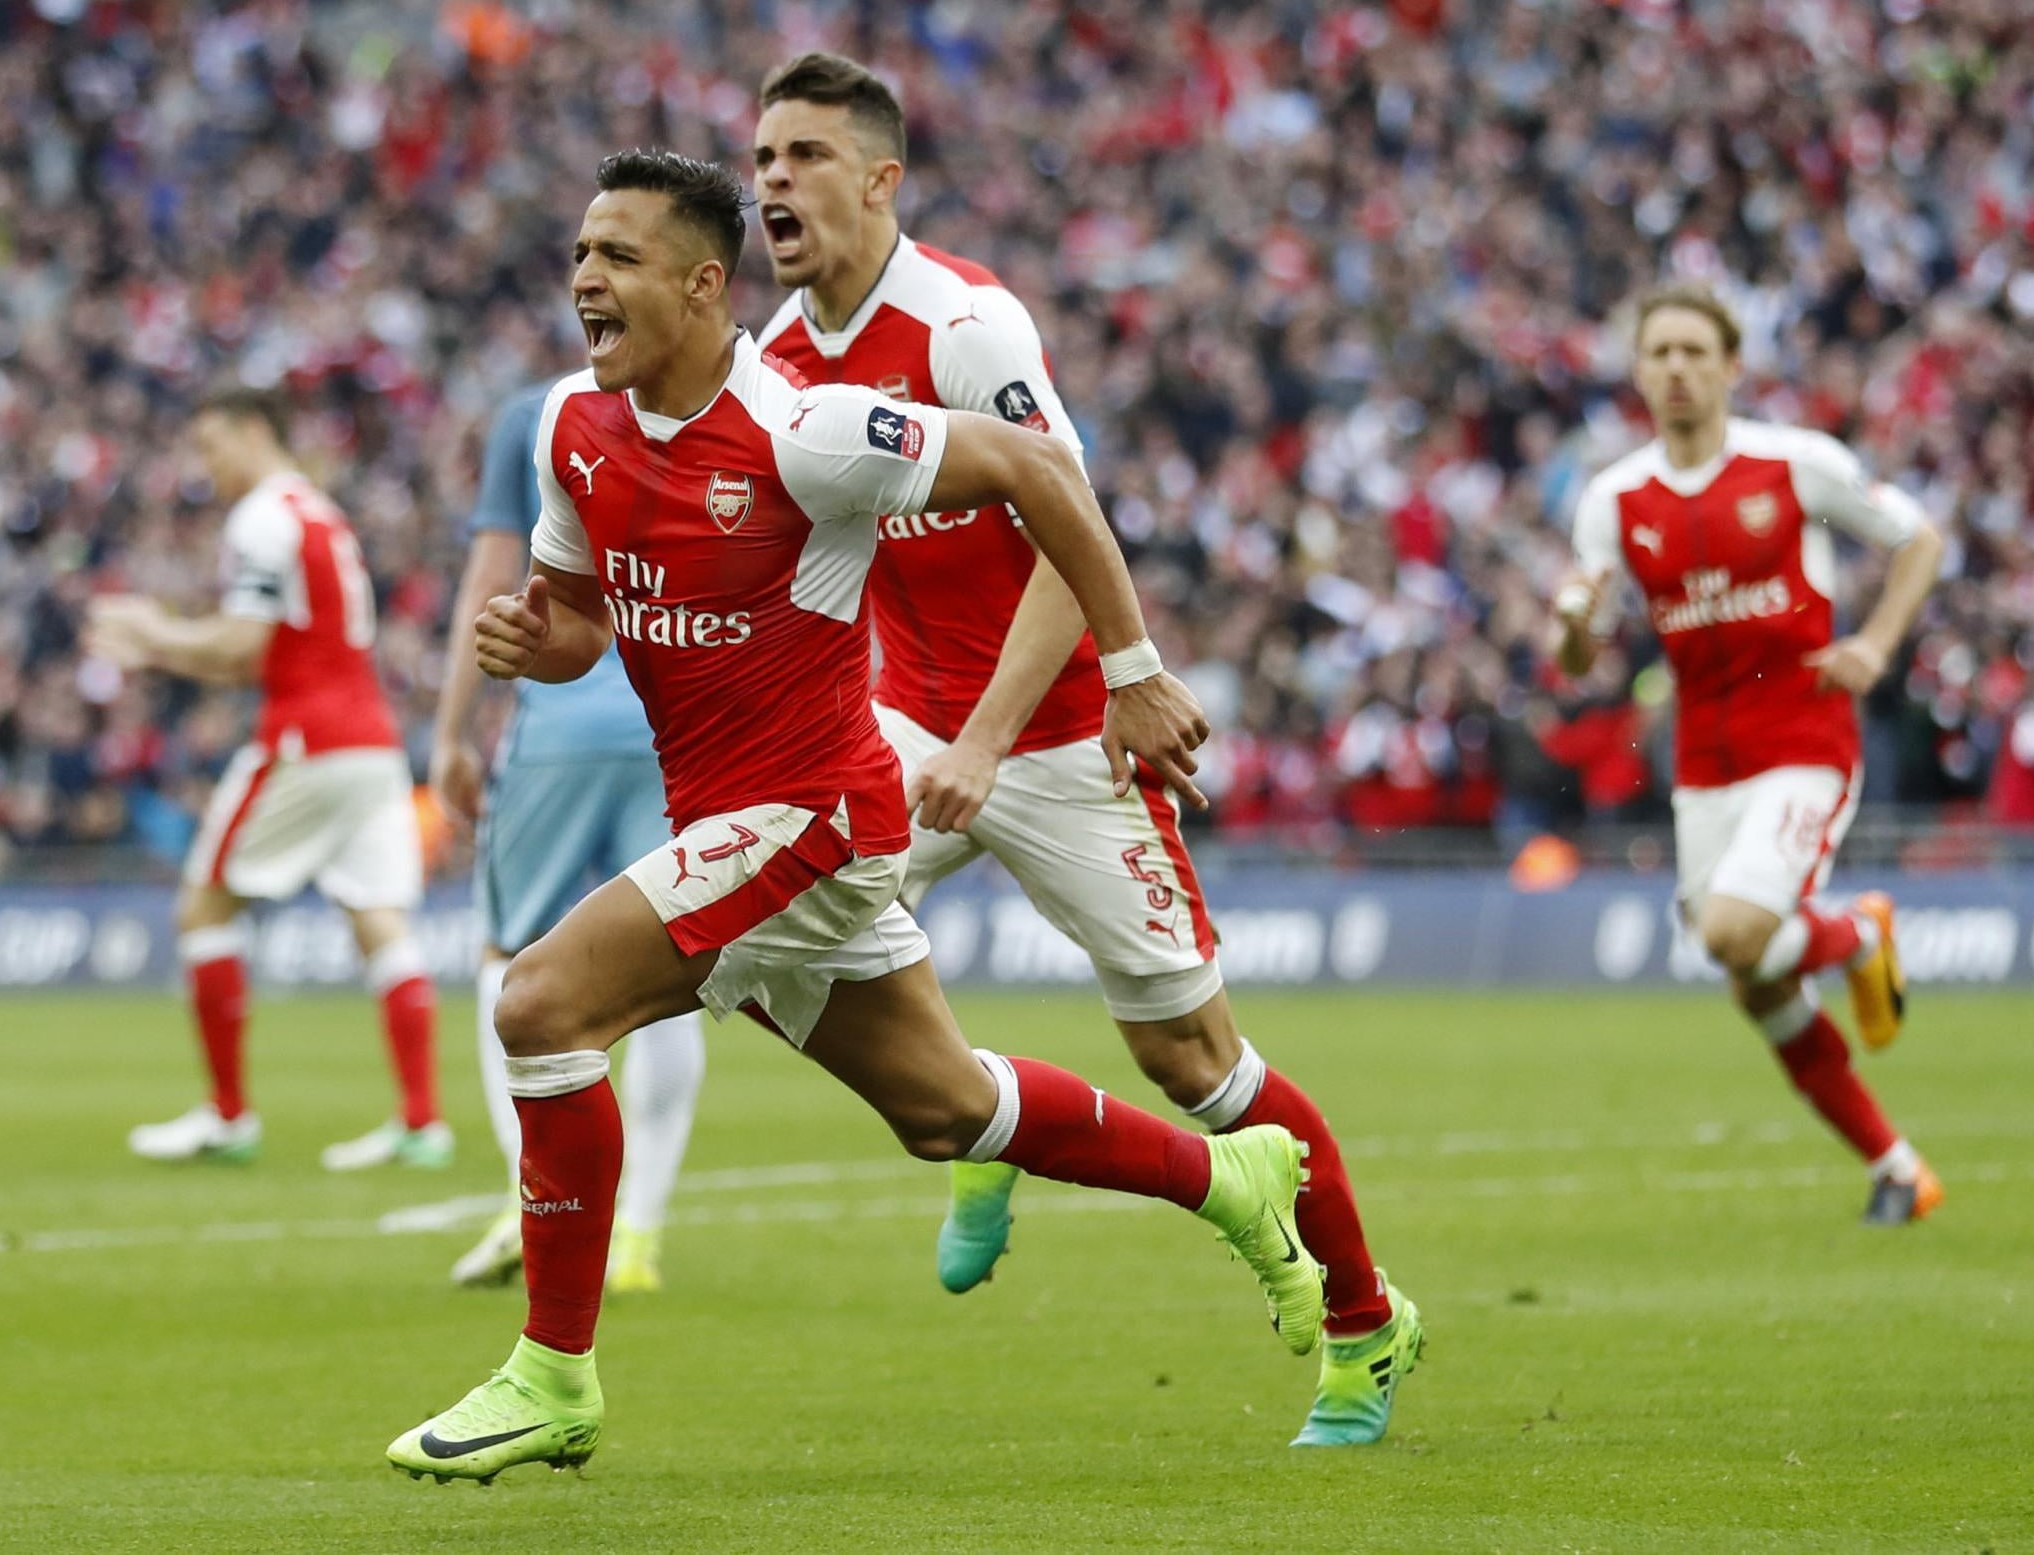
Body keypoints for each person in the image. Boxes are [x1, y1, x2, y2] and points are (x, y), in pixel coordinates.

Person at [385, 149, 1324, 1485]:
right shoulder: (571, 435)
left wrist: (1129, 665)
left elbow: (1035, 466)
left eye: (621, 257)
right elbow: (584, 618)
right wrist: (534, 642)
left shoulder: (806, 429)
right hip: (736, 822)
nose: (586, 279)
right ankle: (1231, 1181)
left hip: (817, 814)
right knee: (946, 1109)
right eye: (580, 254)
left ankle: (552, 1374)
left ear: (707, 286)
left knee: (539, 1003)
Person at [751, 52, 1418, 1445]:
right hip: (899, 724)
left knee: (1197, 1064)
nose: (772, 184)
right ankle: (989, 1110)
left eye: (804, 156)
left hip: (1049, 739)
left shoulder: (967, 326)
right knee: (748, 943)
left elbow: (1063, 518)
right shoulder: (777, 364)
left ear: (881, 179)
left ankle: (1366, 1319)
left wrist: (1051, 714)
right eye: (761, 161)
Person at [1553, 283, 1946, 1225]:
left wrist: (1877, 647)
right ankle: (1898, 1168)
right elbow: (1581, 653)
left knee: (1732, 931)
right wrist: (1570, 625)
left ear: (1732, 366)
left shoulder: (1793, 463)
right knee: (1753, 980)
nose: (1678, 369)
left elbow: (1919, 537)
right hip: (1707, 761)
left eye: (1696, 351)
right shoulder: (1614, 499)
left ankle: (1857, 932)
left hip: (1806, 740)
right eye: (1661, 354)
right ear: (1639, 372)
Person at [87, 390, 448, 1171]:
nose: (204, 466)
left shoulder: (261, 515)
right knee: (379, 918)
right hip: (373, 742)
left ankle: (227, 1115)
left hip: (305, 738)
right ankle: (422, 1121)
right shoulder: (320, 511)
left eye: (213, 445)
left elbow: (243, 648)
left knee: (204, 902)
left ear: (256, 434)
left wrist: (154, 639)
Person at [432, 377, 707, 1293]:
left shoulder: (534, 414)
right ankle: (642, 1233)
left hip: (559, 722)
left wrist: (451, 729)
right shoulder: (718, 399)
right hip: (675, 721)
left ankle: (531, 1198)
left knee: (503, 953)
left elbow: (495, 576)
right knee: (677, 966)